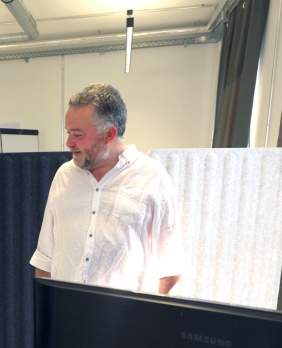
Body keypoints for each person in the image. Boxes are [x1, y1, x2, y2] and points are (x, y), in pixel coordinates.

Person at [31, 83, 185, 294]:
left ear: (109, 134)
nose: (68, 142)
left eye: (77, 135)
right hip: (66, 316)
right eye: (68, 133)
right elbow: (45, 257)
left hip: (126, 321)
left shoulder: (152, 177)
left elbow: (169, 268)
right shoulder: (64, 176)